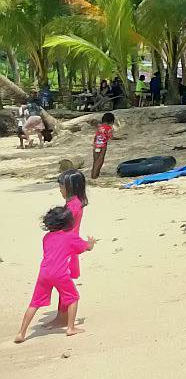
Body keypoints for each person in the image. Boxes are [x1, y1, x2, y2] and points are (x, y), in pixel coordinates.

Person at [15, 206, 96, 342]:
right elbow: (86, 247)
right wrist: (91, 243)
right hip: (60, 274)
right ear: (68, 223)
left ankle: (21, 333)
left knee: (34, 303)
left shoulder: (46, 237)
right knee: (73, 297)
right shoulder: (70, 237)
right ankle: (70, 328)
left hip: (44, 273)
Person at [55, 170, 89, 326]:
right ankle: (60, 316)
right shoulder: (73, 203)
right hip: (66, 247)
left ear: (71, 187)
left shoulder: (73, 205)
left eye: (62, 187)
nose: (60, 190)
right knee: (62, 281)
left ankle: (62, 318)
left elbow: (63, 224)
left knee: (64, 282)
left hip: (67, 249)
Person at [90, 112, 117, 180]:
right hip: (103, 146)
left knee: (95, 160)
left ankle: (93, 174)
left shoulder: (100, 127)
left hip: (96, 145)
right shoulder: (109, 128)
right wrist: (120, 138)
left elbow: (96, 136)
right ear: (111, 121)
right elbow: (111, 137)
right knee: (100, 160)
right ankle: (95, 176)